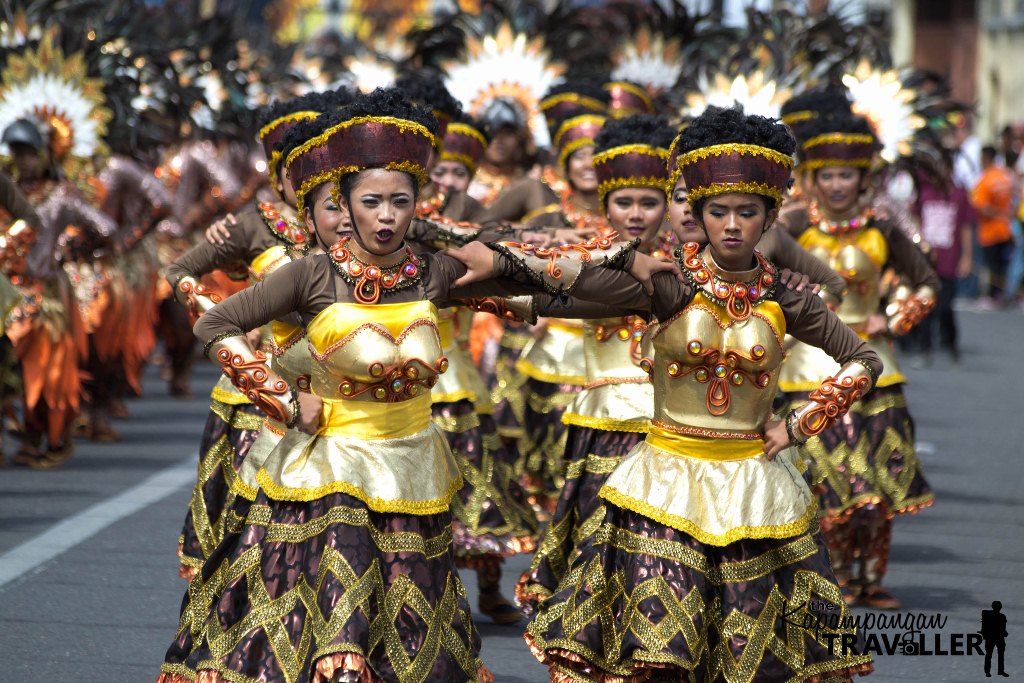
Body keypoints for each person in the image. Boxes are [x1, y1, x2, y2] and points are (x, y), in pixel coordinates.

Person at [155, 88, 666, 683]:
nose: (387, 215)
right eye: (371, 201)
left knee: (407, 624)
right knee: (335, 622)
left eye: (401, 201)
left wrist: (648, 284)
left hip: (412, 461)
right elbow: (217, 322)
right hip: (330, 468)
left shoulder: (434, 273)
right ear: (345, 206)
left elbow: (551, 290)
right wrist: (284, 399)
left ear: (417, 206)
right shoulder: (310, 275)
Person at [451, 104, 880, 682]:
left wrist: (800, 424)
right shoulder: (667, 287)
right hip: (665, 479)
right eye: (718, 212)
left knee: (750, 652)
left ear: (769, 217)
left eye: (747, 213)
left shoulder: (787, 299)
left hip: (756, 487)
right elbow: (570, 289)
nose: (732, 225)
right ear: (699, 215)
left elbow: (863, 360)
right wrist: (499, 271)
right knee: (661, 644)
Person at [164, 90, 342, 579]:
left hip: (337, 399)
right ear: (277, 173)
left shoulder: (358, 231)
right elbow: (179, 271)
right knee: (249, 524)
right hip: (260, 394)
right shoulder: (250, 226)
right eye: (292, 170)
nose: (301, 181)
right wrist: (236, 339)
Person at [777, 112, 939, 609]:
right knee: (827, 482)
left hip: (876, 373)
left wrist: (890, 319)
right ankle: (834, 577)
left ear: (864, 179)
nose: (836, 184)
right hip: (807, 370)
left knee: (877, 489)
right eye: (826, 175)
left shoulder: (883, 228)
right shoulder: (792, 226)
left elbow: (927, 284)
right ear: (811, 179)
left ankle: (870, 578)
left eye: (846, 175)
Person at [971, 145, 1015, 306]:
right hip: (1005, 228)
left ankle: (992, 296)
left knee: (991, 266)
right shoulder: (1005, 176)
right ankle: (1001, 296)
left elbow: (980, 206)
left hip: (989, 231)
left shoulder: (985, 179)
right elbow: (1014, 199)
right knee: (1002, 265)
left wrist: (996, 213)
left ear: (986, 158)